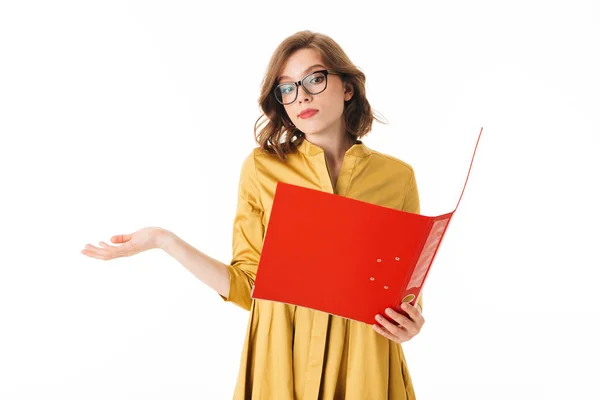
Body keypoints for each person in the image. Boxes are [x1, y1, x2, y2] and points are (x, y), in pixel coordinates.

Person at [81, 30, 426, 400]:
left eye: (315, 78)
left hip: (364, 366)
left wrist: (410, 320)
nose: (302, 95)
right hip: (281, 363)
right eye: (287, 88)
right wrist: (163, 240)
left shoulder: (397, 178)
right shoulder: (262, 170)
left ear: (347, 88)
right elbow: (248, 286)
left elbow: (404, 293)